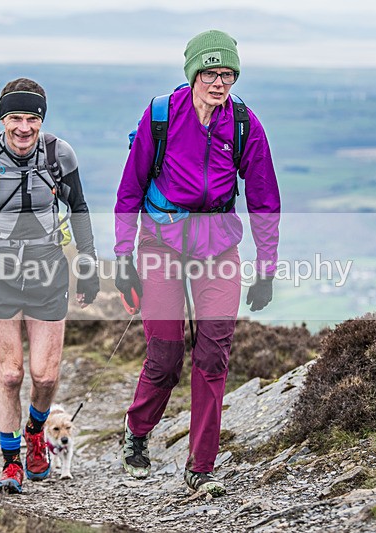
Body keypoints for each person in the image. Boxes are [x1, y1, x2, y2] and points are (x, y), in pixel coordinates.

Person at [113, 30, 280, 496]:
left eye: (227, 74)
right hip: (161, 245)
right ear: (193, 74)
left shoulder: (244, 123)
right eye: (210, 73)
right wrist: (124, 257)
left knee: (213, 351)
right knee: (165, 355)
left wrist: (266, 268)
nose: (219, 82)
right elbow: (129, 191)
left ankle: (201, 465)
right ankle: (137, 432)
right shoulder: (162, 116)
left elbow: (265, 198)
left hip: (219, 247)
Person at [0, 77, 100, 494]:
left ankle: (36, 433)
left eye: (32, 118)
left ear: (41, 120)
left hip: (49, 272)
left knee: (45, 376)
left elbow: (80, 208)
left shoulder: (59, 155)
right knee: (12, 373)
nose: (23, 127)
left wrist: (88, 266)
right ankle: (12, 464)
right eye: (15, 117)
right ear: (2, 118)